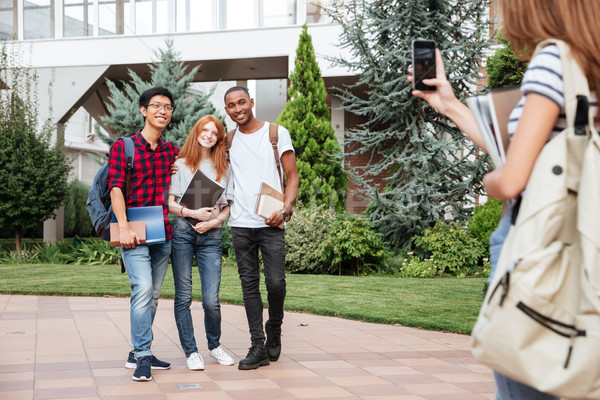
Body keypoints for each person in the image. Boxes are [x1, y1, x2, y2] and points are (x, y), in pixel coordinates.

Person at [408, 0, 600, 398]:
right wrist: (450, 105)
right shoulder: (590, 64)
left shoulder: (553, 60)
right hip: (584, 238)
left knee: (523, 376)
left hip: (536, 241)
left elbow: (512, 177)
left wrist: (489, 181)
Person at [223, 86, 299, 370]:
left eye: (241, 102)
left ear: (251, 102)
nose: (237, 108)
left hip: (271, 221)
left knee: (276, 283)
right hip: (240, 224)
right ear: (227, 110)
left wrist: (285, 209)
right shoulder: (228, 141)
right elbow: (209, 166)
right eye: (231, 105)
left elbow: (292, 177)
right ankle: (258, 346)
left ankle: (275, 327)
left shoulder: (275, 133)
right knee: (249, 285)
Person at [108, 87, 179, 381]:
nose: (162, 111)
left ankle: (138, 350)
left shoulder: (171, 151)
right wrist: (123, 227)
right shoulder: (124, 147)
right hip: (134, 231)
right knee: (143, 290)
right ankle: (142, 356)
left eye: (167, 107)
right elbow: (115, 187)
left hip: (162, 231)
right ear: (143, 110)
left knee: (152, 296)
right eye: (156, 106)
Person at [167, 115, 235, 370]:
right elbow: (171, 203)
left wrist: (213, 222)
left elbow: (227, 208)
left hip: (211, 236)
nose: (208, 135)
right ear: (197, 132)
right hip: (184, 231)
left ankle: (215, 346)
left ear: (218, 139)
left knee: (211, 300)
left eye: (214, 132)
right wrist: (193, 214)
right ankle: (191, 351)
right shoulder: (181, 164)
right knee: (183, 296)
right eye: (204, 130)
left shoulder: (223, 168)